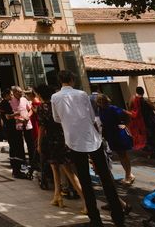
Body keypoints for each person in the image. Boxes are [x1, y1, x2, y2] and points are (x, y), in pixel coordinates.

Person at [52, 70, 128, 227]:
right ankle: (118, 215)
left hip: (73, 140)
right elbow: (92, 116)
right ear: (72, 79)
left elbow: (56, 118)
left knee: (85, 180)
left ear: (60, 81)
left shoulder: (55, 97)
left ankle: (95, 218)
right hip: (91, 138)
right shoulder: (81, 94)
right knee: (105, 177)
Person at [35, 84, 87, 213]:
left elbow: (42, 127)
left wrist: (39, 143)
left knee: (68, 170)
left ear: (40, 95)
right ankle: (57, 196)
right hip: (64, 137)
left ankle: (87, 202)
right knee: (55, 166)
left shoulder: (43, 107)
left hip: (53, 140)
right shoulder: (57, 103)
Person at [97, 94, 135, 185]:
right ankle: (128, 174)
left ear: (107, 100)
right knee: (120, 155)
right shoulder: (101, 110)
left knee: (123, 155)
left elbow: (128, 115)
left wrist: (125, 124)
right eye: (99, 101)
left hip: (118, 133)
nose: (101, 102)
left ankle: (128, 175)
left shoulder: (113, 108)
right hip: (111, 135)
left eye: (103, 100)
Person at [0, 89, 25, 178]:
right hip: (11, 129)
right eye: (10, 94)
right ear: (6, 95)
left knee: (14, 148)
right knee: (15, 147)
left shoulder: (4, 103)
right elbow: (8, 116)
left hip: (11, 128)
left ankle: (16, 168)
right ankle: (17, 170)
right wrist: (18, 113)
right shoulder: (5, 103)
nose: (11, 96)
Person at [10, 86, 35, 167]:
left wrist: (28, 116)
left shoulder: (24, 99)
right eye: (19, 92)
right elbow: (9, 114)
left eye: (21, 91)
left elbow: (31, 109)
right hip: (18, 125)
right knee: (19, 145)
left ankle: (33, 162)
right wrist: (16, 118)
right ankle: (22, 162)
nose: (21, 93)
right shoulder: (11, 101)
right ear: (14, 92)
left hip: (27, 124)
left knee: (30, 143)